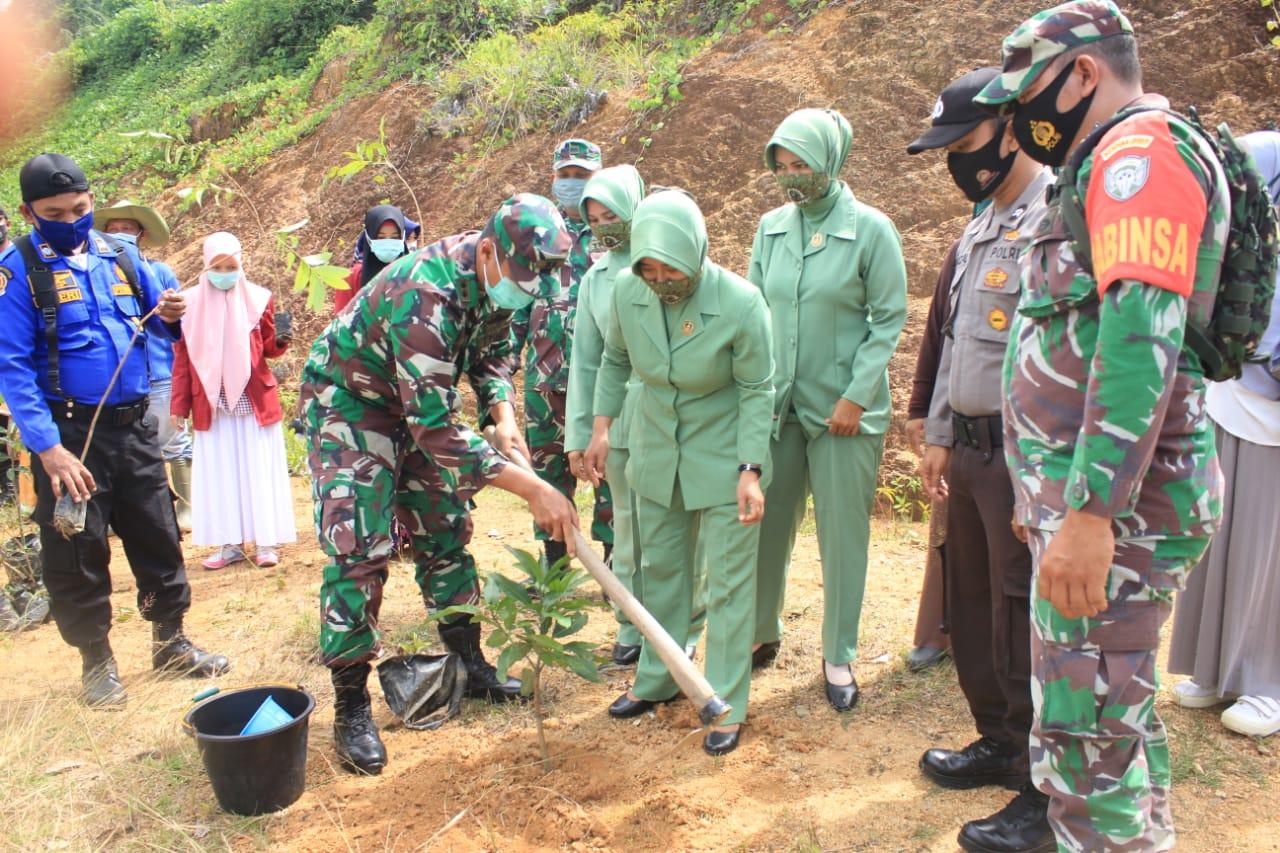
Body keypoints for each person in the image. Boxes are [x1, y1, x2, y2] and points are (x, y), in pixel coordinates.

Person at [975, 2, 1233, 848]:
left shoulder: (1136, 157)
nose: (1019, 119)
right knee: (1111, 728)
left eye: (1028, 95)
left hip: (1118, 515)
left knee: (1088, 752)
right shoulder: (1111, 159)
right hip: (1101, 506)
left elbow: (1138, 340)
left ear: (1083, 72)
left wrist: (1088, 513)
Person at [301, 194, 580, 775]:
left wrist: (503, 415)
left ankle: (468, 661)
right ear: (487, 252)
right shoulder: (425, 293)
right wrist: (534, 490)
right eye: (526, 277)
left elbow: (494, 358)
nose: (528, 291)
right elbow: (434, 430)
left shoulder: (502, 277)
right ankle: (352, 704)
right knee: (360, 547)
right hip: (350, 405)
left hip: (416, 405)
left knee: (445, 527)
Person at [0, 153, 228, 707]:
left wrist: (172, 311)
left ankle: (170, 642)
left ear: (91, 201)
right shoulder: (20, 271)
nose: (71, 218)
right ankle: (96, 662)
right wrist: (48, 450)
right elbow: (13, 366)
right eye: (55, 211)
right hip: (69, 436)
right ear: (30, 212)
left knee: (158, 534)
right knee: (76, 548)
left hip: (133, 428)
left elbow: (165, 323)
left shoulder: (122, 257)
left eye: (79, 208)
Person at [909, 67, 1055, 853]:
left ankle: (1042, 781)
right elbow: (956, 338)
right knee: (970, 601)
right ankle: (998, 738)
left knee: (1023, 611)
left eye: (964, 145)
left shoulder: (1055, 217)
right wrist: (935, 431)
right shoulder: (978, 223)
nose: (956, 161)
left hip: (1020, 458)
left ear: (1010, 129)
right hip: (966, 454)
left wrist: (1040, 474)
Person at [583, 189, 774, 756]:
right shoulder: (626, 290)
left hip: (723, 454)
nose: (661, 278)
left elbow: (756, 389)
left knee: (730, 584)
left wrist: (750, 470)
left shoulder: (740, 303)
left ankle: (726, 703)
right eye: (650, 267)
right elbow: (615, 360)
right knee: (660, 571)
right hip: (656, 450)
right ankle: (659, 678)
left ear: (697, 251)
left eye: (672, 267)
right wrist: (601, 428)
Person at [748, 108, 908, 710]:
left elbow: (888, 317)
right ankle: (760, 634)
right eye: (782, 167)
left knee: (842, 538)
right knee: (765, 527)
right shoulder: (770, 229)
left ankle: (837, 654)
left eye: (802, 165)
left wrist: (856, 395)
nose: (792, 178)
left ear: (832, 161)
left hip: (844, 413)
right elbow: (755, 314)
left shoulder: (870, 229)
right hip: (779, 408)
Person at [564, 167, 708, 666]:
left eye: (613, 216)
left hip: (676, 421)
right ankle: (632, 624)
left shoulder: (674, 260)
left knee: (682, 530)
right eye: (595, 219)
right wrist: (581, 434)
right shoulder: (597, 278)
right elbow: (587, 359)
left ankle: (685, 625)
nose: (605, 227)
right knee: (628, 533)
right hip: (619, 427)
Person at [1168, 130, 1280, 739]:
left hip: (1275, 396)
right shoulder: (1256, 172)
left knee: (1269, 541)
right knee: (1218, 528)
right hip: (1235, 382)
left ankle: (1267, 681)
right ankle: (1213, 667)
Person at [512, 139, 612, 571]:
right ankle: (554, 566)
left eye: (581, 175)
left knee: (608, 473)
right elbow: (517, 300)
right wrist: (507, 359)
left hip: (600, 380)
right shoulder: (539, 233)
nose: (572, 184)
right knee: (548, 470)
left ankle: (615, 561)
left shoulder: (612, 231)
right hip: (544, 377)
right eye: (565, 175)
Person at [169, 232, 296, 569]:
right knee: (221, 473)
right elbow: (182, 360)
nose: (225, 272)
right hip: (212, 404)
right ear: (206, 267)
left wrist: (282, 336)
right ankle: (229, 544)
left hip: (253, 401)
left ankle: (266, 542)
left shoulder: (258, 298)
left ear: (241, 266)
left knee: (257, 469)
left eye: (231, 265)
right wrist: (178, 406)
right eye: (218, 266)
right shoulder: (189, 304)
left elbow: (270, 348)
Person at [94, 200, 196, 530]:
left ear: (140, 234)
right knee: (123, 447)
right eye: (113, 229)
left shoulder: (159, 272)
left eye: (127, 229)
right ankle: (127, 514)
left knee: (173, 440)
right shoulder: (99, 275)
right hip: (121, 378)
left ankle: (185, 507)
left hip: (162, 372)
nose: (120, 235)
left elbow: (177, 321)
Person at [903, 238, 958, 673]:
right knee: (947, 522)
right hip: (956, 409)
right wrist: (920, 408)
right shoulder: (964, 249)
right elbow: (936, 331)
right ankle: (938, 632)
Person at [334, 205, 418, 314]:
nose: (388, 242)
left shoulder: (414, 272)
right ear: (369, 238)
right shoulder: (351, 278)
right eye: (381, 237)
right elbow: (340, 325)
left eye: (394, 237)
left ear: (402, 237)